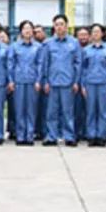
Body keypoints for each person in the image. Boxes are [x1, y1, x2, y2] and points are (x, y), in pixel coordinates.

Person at [41, 14, 80, 147]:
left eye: (61, 24)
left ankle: (69, 136)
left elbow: (77, 63)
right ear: (54, 26)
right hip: (52, 82)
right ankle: (51, 136)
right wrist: (45, 81)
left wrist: (76, 81)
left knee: (68, 112)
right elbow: (45, 64)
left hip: (68, 82)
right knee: (51, 112)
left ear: (66, 26)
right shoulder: (48, 43)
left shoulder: (74, 43)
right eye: (56, 24)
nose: (59, 27)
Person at [80, 24, 106, 147]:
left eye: (98, 31)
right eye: (93, 32)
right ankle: (91, 136)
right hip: (90, 83)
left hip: (104, 83)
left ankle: (101, 136)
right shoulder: (86, 50)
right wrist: (83, 85)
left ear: (102, 34)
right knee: (91, 111)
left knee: (103, 111)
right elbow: (83, 69)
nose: (95, 34)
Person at [8, 21, 41, 145]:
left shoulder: (38, 47)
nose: (27, 31)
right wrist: (11, 80)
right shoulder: (14, 46)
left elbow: (40, 64)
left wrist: (38, 80)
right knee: (19, 109)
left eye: (29, 28)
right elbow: (10, 64)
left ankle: (30, 135)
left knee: (31, 109)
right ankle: (20, 135)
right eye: (25, 28)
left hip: (32, 81)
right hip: (19, 81)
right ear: (21, 31)